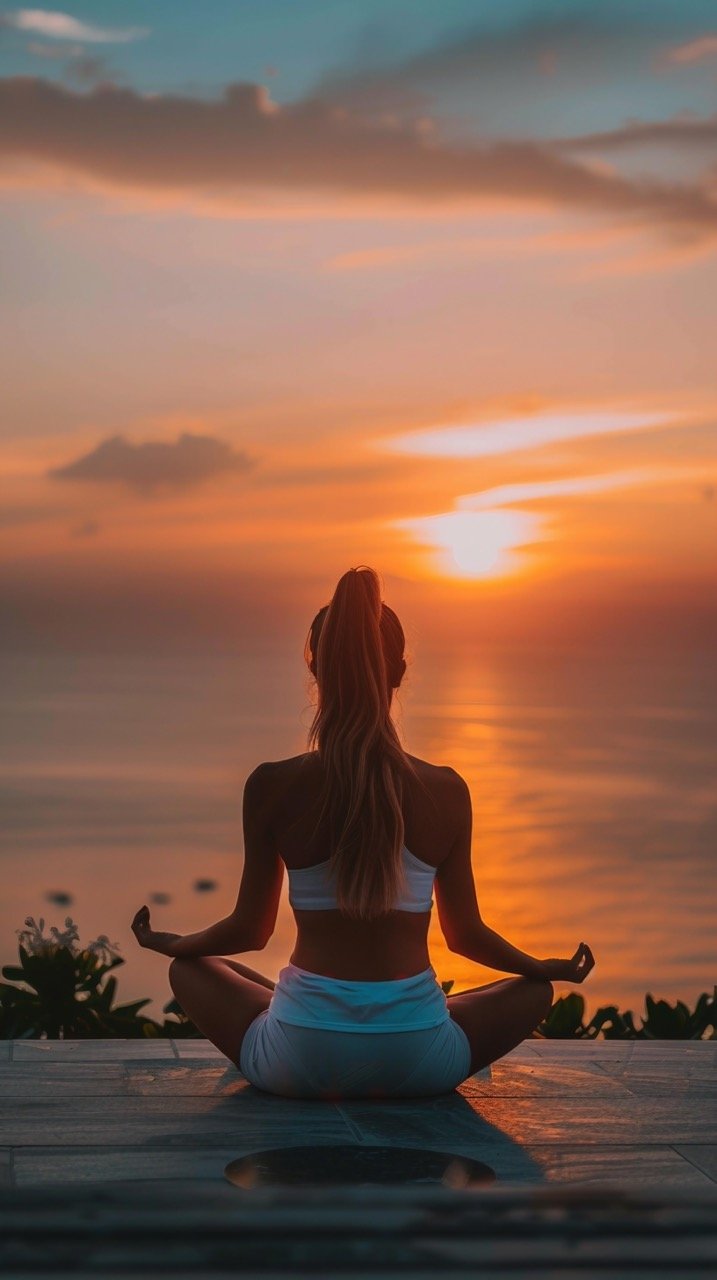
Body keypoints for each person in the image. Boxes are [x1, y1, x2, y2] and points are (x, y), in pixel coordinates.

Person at [131, 566, 594, 1098]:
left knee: (193, 970)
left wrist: (173, 944)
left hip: (299, 1061)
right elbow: (464, 936)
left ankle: (300, 1015)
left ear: (315, 667)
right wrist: (543, 967)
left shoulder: (272, 785)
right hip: (419, 1062)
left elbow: (249, 932)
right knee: (533, 993)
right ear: (398, 671)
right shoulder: (445, 790)